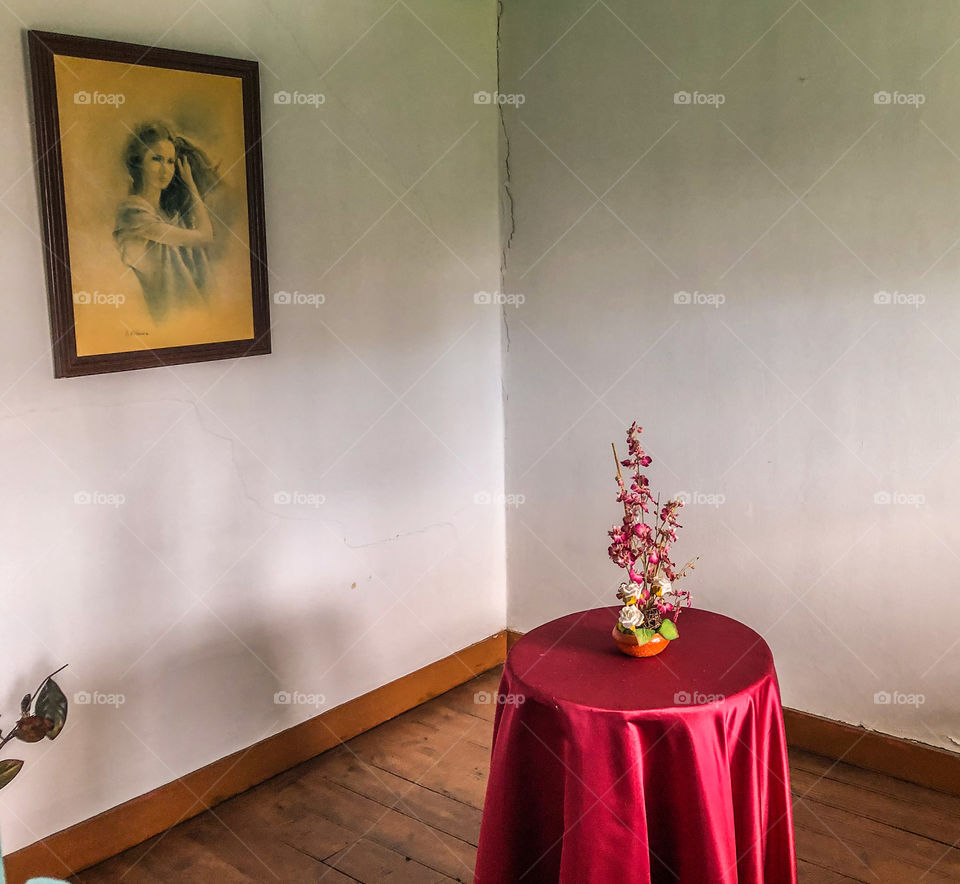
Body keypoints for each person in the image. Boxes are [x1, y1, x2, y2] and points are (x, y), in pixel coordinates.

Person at [113, 122, 219, 323]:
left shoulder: (170, 216)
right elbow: (205, 237)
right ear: (138, 163)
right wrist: (192, 187)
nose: (165, 170)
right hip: (157, 319)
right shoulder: (133, 213)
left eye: (170, 161)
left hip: (188, 320)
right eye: (156, 159)